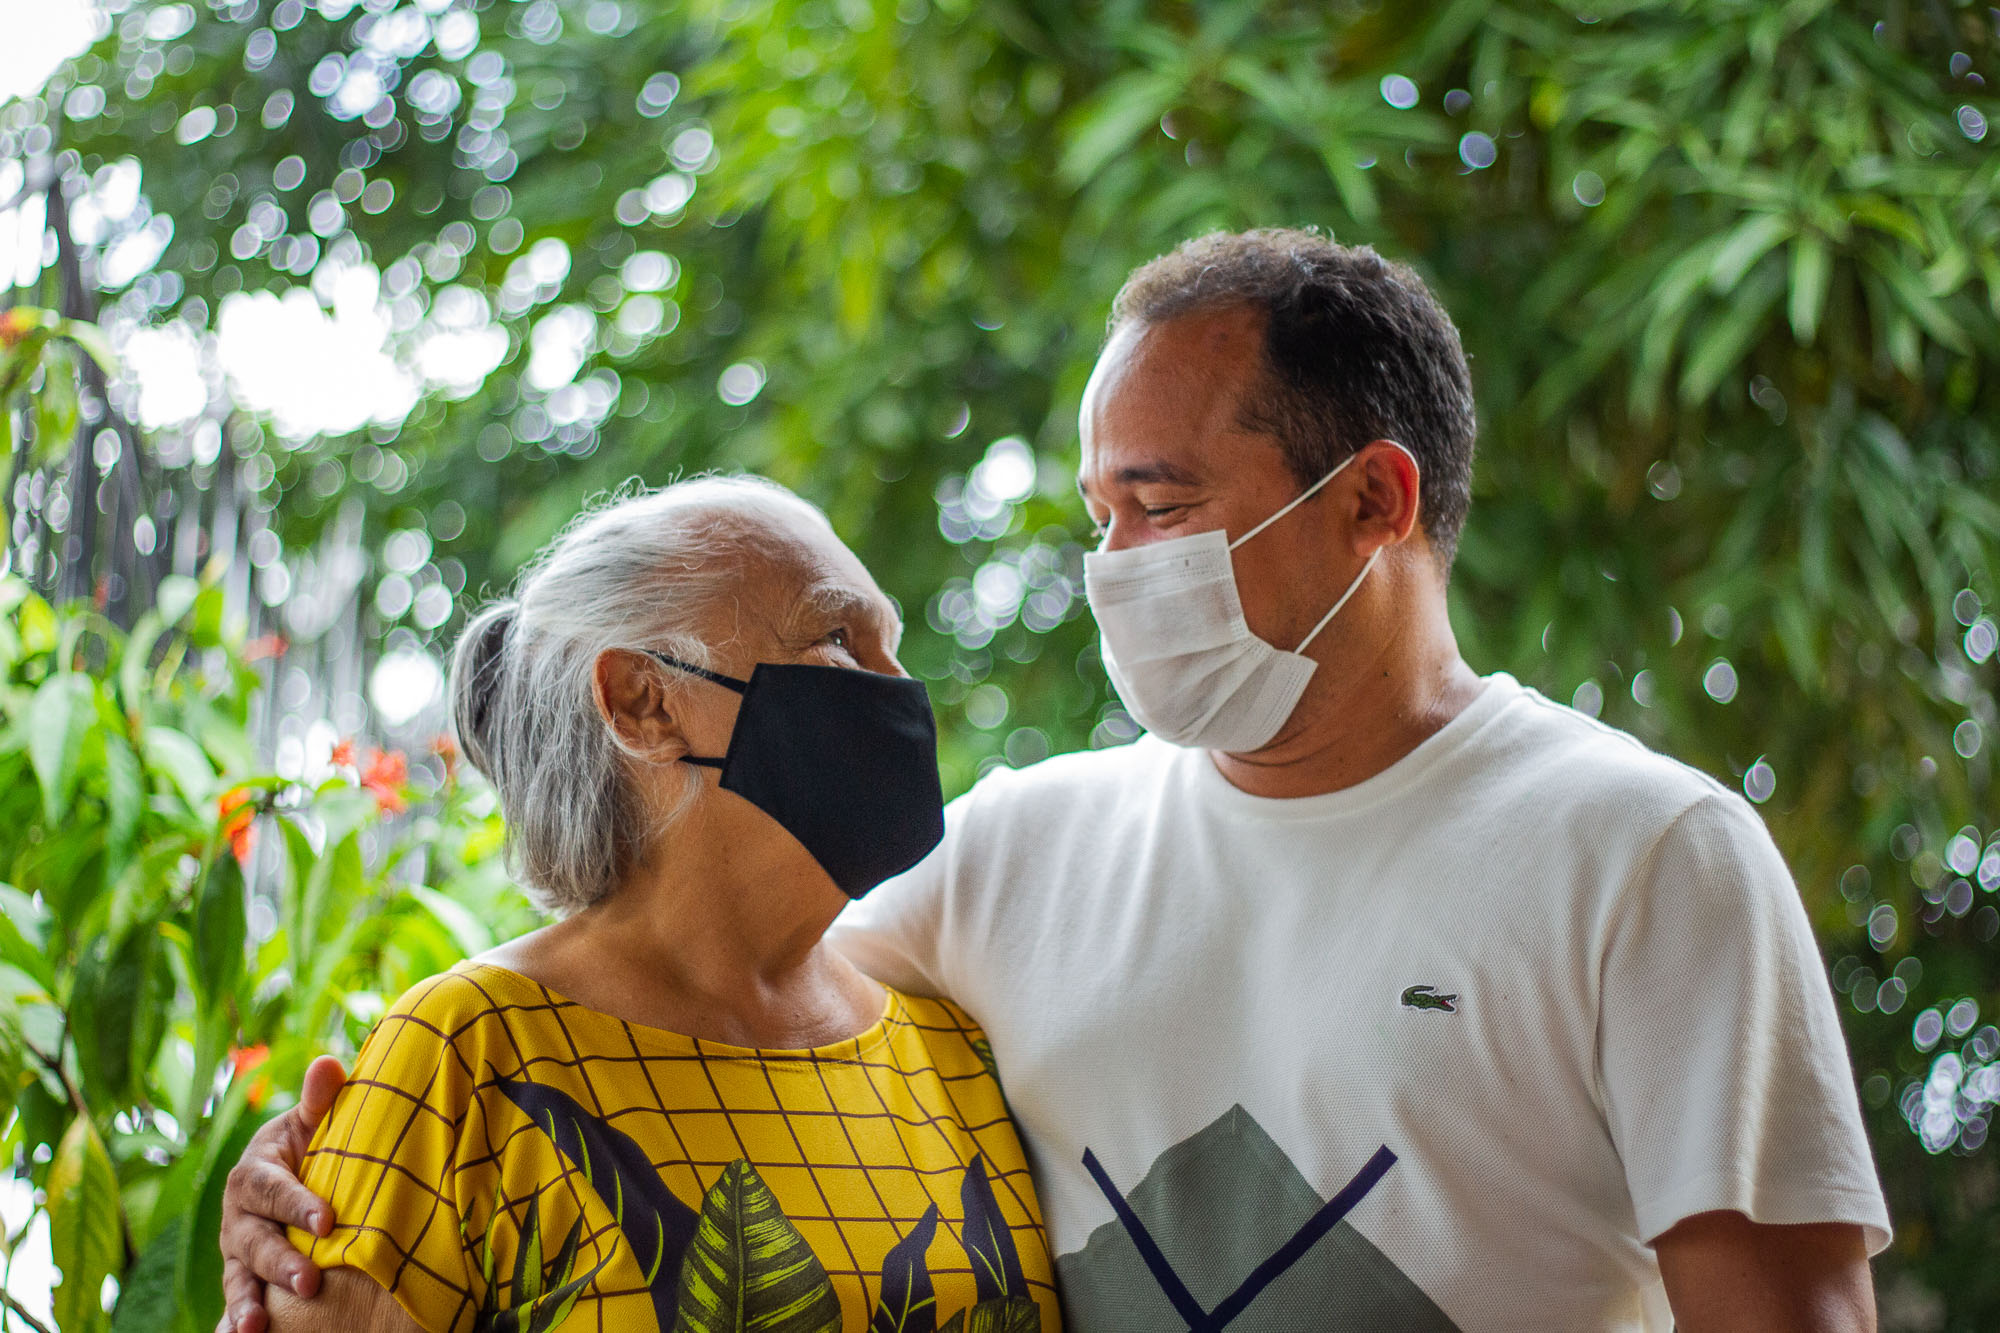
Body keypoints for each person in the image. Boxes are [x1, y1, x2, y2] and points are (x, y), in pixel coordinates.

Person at [221, 230, 1887, 1332]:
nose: (1114, 564)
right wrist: (331, 1177)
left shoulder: (1647, 851)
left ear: (1372, 504)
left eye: (1158, 505)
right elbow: (684, 997)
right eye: (1096, 513)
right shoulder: (1015, 858)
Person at [240, 476, 1061, 1333]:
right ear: (646, 700)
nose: (901, 693)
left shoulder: (956, 1049)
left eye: (890, 645)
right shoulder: (470, 1054)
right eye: (839, 640)